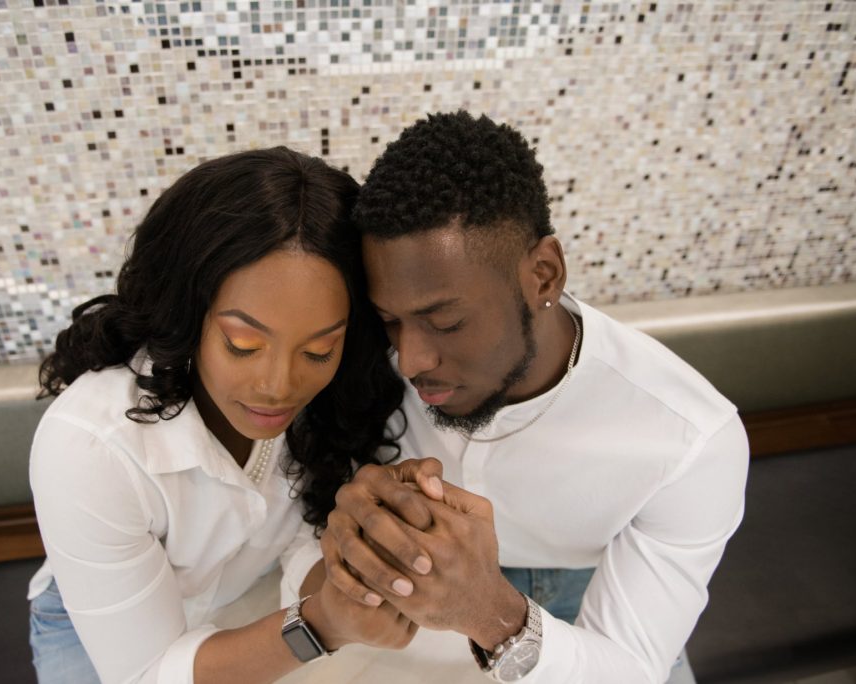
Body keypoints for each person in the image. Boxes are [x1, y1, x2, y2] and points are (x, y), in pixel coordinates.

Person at [320, 112, 750, 683]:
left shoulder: (691, 440)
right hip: (406, 612)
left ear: (544, 275)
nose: (414, 359)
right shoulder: (363, 355)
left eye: (445, 321)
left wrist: (489, 610)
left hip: (595, 610)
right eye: (391, 321)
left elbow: (629, 668)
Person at [26, 147, 418, 684]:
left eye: (318, 351)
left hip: (242, 603)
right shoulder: (89, 447)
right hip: (98, 634)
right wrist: (321, 623)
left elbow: (305, 534)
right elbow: (146, 673)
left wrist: (352, 584)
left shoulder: (340, 393)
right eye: (242, 344)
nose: (279, 387)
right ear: (188, 311)